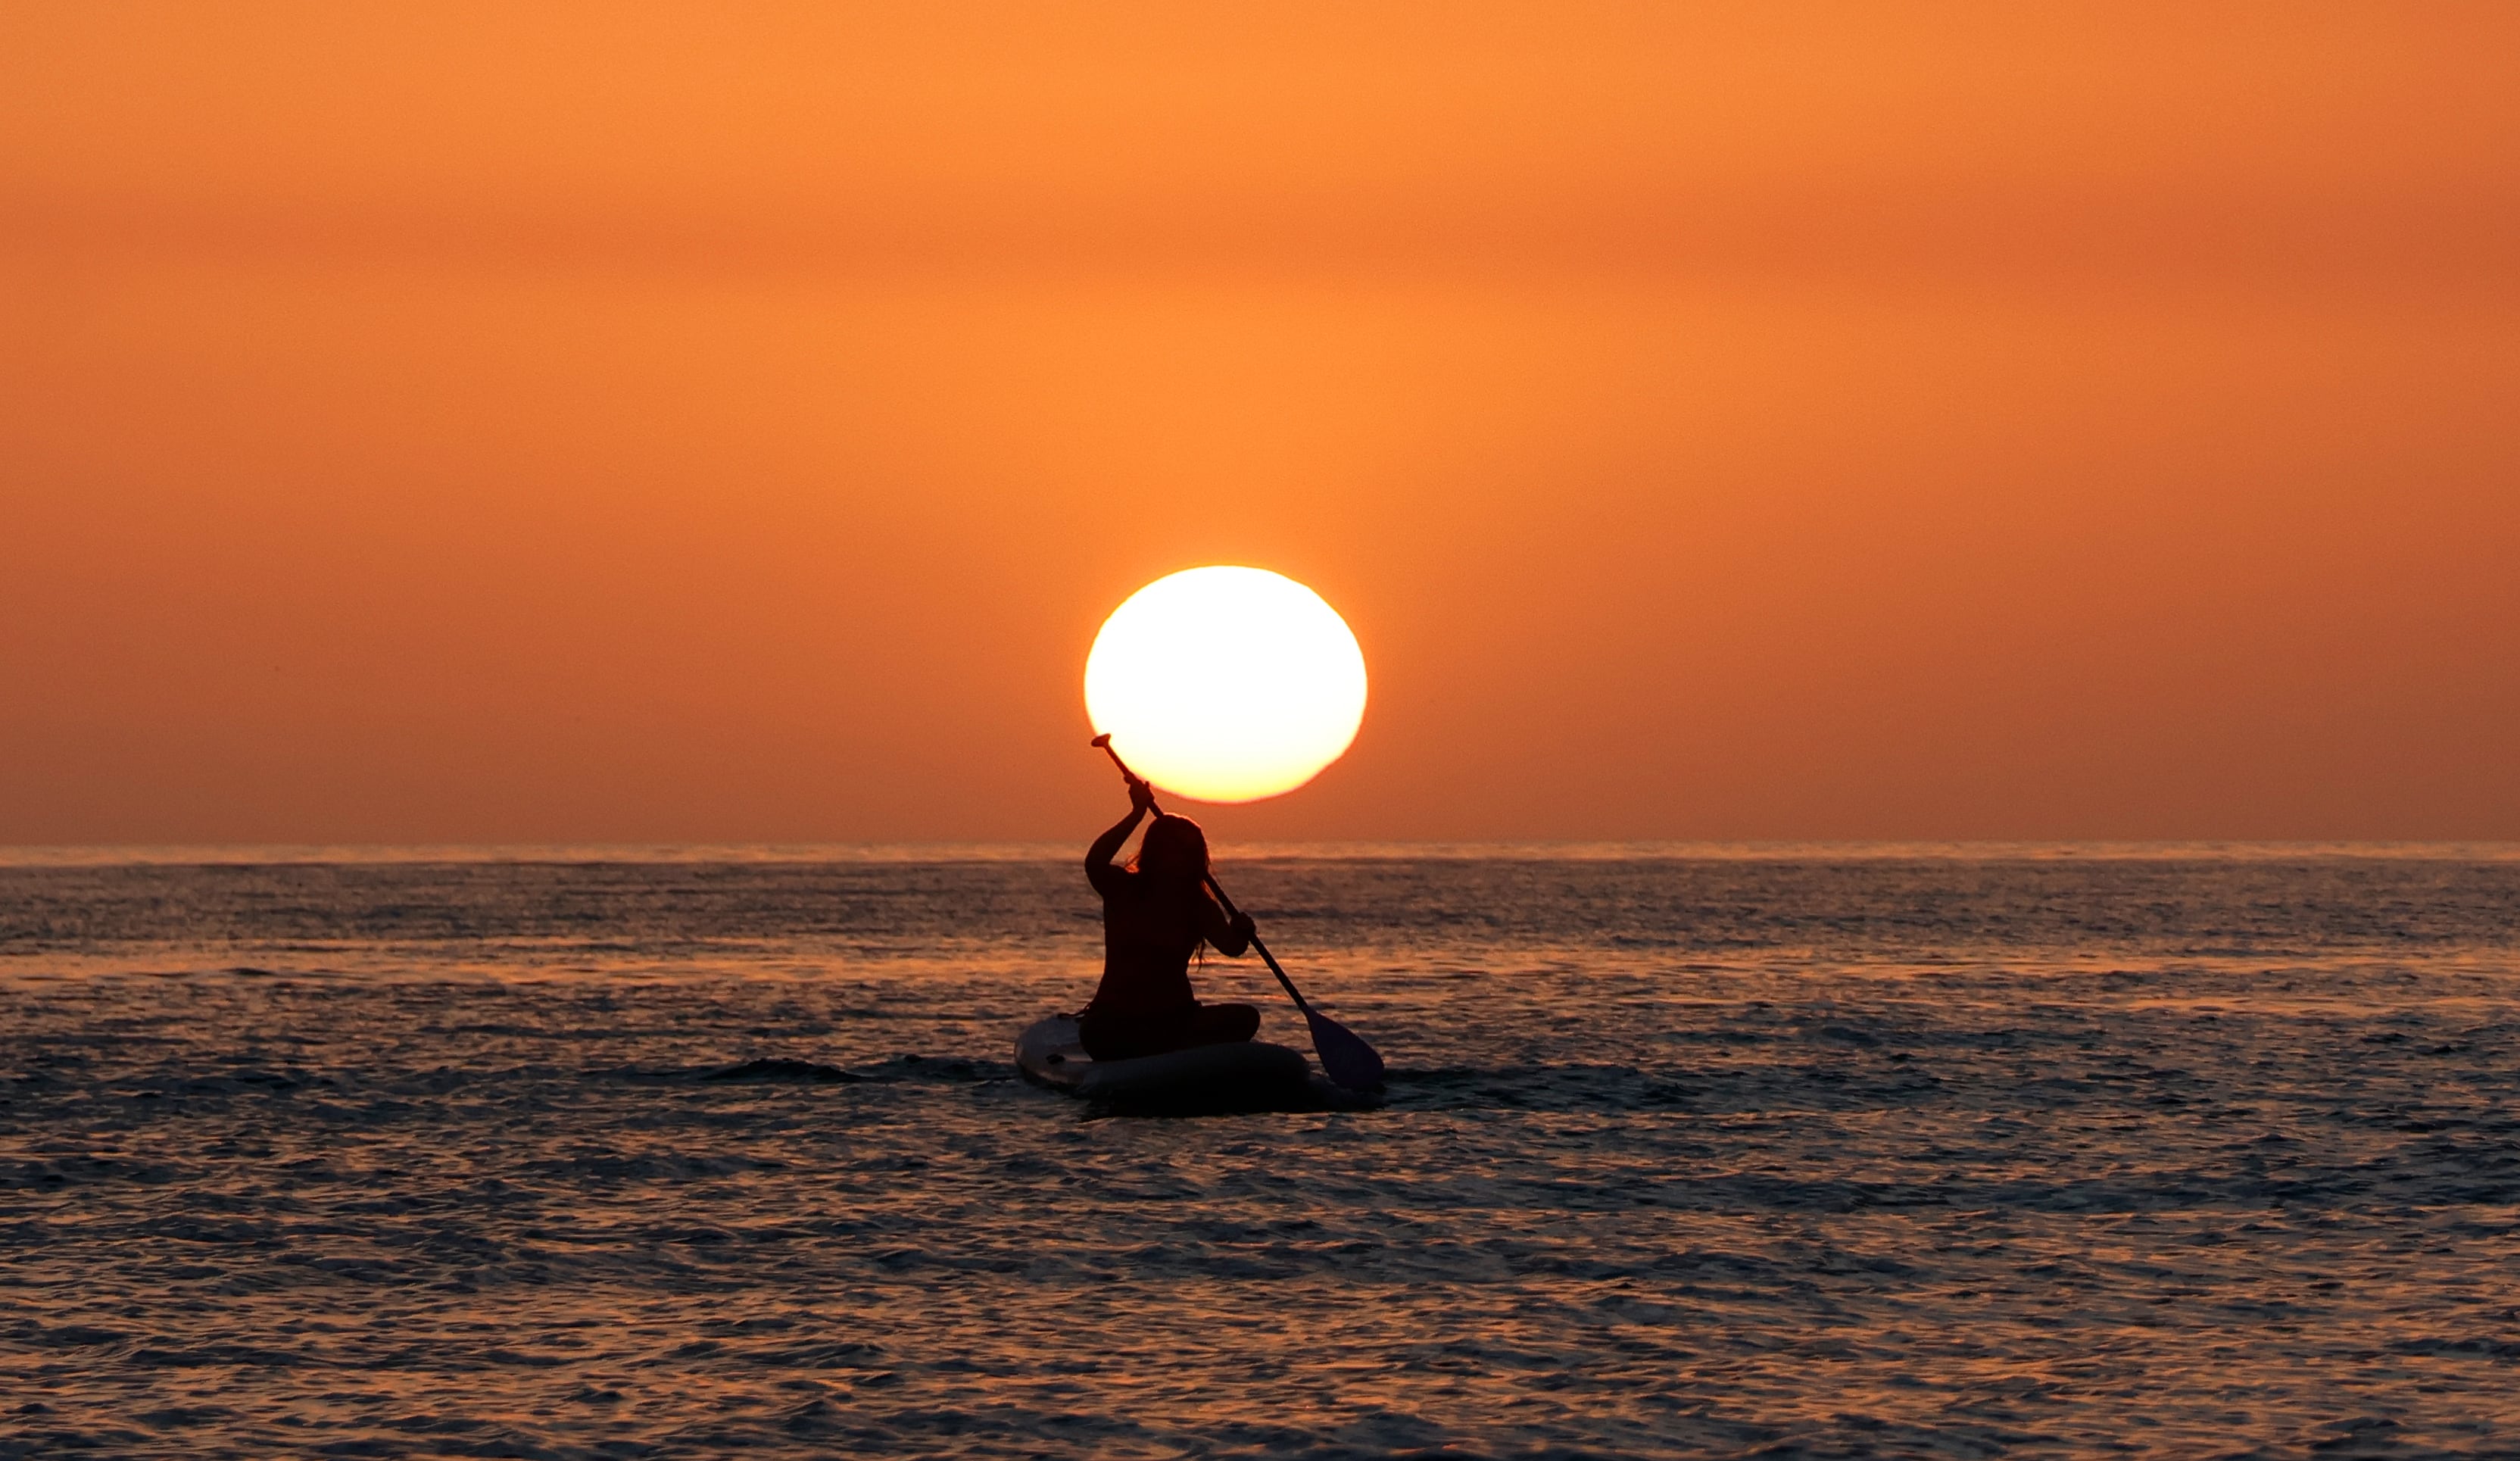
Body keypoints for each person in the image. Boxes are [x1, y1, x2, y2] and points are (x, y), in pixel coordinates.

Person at [1078, 773, 1262, 1061]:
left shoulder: (1198, 904)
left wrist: (1243, 930)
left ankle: (1170, 1049)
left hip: (1173, 1018)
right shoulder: (1123, 888)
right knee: (1095, 1034)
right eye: (1177, 849)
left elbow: (1231, 947)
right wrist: (1137, 813)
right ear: (1156, 851)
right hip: (1116, 1020)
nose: (1184, 857)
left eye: (1191, 851)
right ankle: (1169, 1049)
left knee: (1247, 1018)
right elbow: (1094, 862)